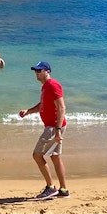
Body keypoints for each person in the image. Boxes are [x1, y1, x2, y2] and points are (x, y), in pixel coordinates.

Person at [19, 61, 69, 199]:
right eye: (36, 70)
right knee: (55, 157)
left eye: (40, 70)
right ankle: (63, 190)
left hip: (54, 127)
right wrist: (28, 111)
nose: (37, 73)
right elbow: (43, 104)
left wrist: (58, 130)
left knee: (37, 155)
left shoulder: (52, 85)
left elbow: (62, 108)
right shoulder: (46, 87)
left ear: (47, 71)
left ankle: (51, 187)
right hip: (53, 126)